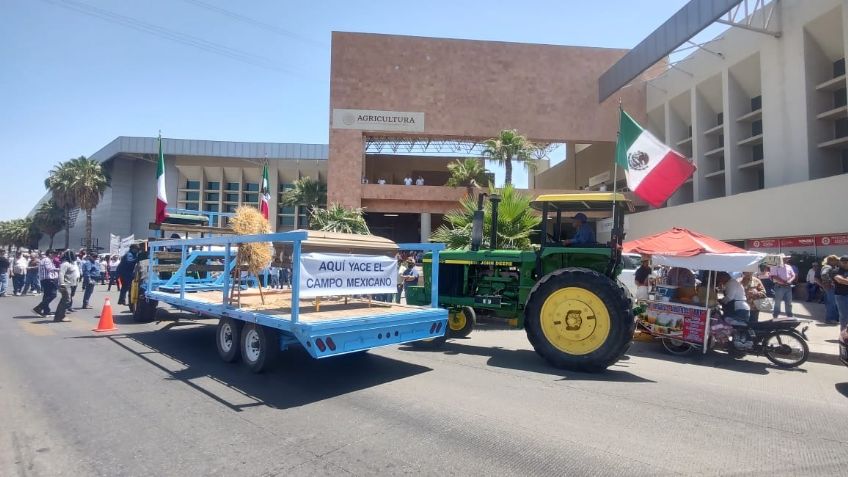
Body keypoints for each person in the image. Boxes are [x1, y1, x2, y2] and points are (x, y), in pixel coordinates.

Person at [717, 271, 752, 348]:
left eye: (720, 278)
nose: (719, 280)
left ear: (724, 277)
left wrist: (720, 301)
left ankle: (739, 344)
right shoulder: (732, 282)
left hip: (739, 308)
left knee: (732, 324)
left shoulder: (731, 283)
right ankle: (736, 345)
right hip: (741, 307)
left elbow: (730, 297)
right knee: (738, 329)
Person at [33, 250, 59, 316]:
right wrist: (60, 269)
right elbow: (49, 269)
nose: (55, 255)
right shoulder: (47, 260)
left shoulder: (46, 260)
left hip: (45, 279)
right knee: (53, 294)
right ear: (49, 253)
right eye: (53, 253)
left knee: (46, 295)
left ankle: (46, 310)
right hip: (48, 279)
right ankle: (38, 307)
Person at [52, 251, 76, 322]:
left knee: (65, 300)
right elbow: (61, 274)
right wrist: (62, 284)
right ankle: (60, 316)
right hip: (65, 285)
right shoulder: (65, 264)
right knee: (66, 300)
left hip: (69, 284)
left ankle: (60, 316)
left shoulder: (70, 263)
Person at [821, 255, 840, 325]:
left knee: (831, 303)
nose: (837, 262)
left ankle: (832, 318)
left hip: (829, 287)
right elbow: (824, 274)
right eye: (836, 260)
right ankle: (830, 319)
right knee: (831, 304)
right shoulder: (828, 267)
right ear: (831, 261)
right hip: (830, 288)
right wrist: (829, 282)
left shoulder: (829, 267)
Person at [832, 255, 848, 330]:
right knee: (844, 316)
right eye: (843, 262)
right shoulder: (836, 271)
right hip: (841, 296)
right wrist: (844, 280)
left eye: (847, 262)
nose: (845, 264)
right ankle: (843, 335)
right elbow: (840, 280)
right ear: (840, 262)